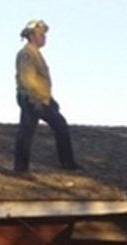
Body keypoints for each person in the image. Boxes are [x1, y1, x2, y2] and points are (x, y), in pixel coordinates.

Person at [13, 19, 80, 173]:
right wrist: (40, 100)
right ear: (31, 36)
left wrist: (50, 99)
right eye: (40, 34)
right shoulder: (27, 54)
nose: (44, 37)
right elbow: (28, 79)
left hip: (35, 98)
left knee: (26, 131)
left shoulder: (34, 54)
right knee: (60, 126)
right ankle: (67, 163)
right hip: (33, 99)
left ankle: (20, 168)